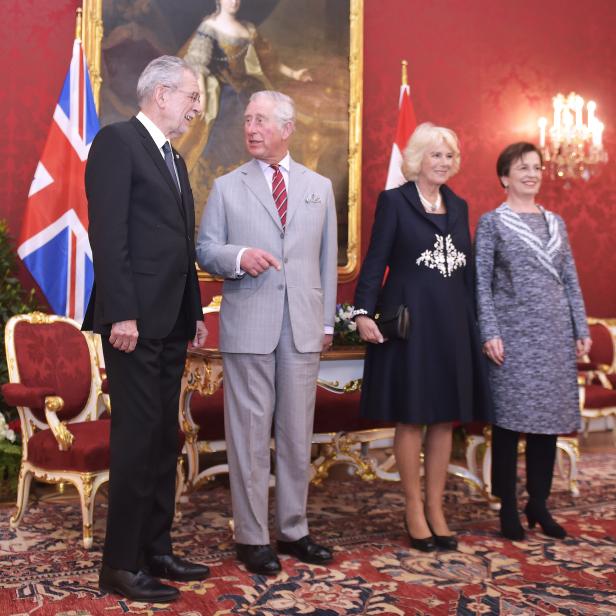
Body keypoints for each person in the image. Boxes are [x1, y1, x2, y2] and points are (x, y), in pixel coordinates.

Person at [83, 56, 209, 602]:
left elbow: (180, 248)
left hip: (172, 322)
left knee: (164, 439)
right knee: (136, 442)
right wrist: (123, 312)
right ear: (160, 94)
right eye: (191, 97)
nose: (197, 108)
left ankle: (156, 549)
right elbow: (108, 237)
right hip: (134, 322)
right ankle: (120, 565)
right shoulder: (117, 143)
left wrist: (196, 313)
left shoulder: (175, 160)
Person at [197, 90, 337, 575]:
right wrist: (238, 257)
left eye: (261, 121)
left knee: (298, 435)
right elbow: (205, 248)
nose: (251, 128)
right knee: (250, 435)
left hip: (301, 328)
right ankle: (252, 538)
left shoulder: (319, 186)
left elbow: (326, 262)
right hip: (249, 325)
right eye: (248, 120)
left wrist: (325, 323)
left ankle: (295, 530)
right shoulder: (226, 187)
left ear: (287, 128)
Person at [353, 122, 492, 552]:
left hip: (451, 324)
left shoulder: (460, 205)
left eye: (450, 155)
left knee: (444, 417)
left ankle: (437, 509)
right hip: (411, 325)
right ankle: (413, 510)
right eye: (436, 154)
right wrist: (362, 311)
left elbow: (466, 272)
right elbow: (376, 261)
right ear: (416, 159)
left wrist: (475, 327)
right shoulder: (394, 202)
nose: (444, 162)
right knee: (412, 416)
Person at [475, 142, 591, 541]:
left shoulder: (556, 222)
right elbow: (482, 285)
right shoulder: (493, 222)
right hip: (513, 339)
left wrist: (581, 328)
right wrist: (489, 331)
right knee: (509, 425)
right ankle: (507, 507)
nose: (531, 173)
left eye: (536, 167)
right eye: (522, 167)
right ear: (504, 176)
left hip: (555, 335)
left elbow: (571, 280)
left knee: (549, 425)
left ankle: (538, 504)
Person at [179, 0, 311, 207]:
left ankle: (254, 195)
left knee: (262, 134)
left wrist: (294, 73)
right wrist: (202, 96)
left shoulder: (247, 29)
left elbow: (270, 61)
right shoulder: (209, 28)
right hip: (222, 93)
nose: (234, 2)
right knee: (222, 137)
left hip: (249, 91)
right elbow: (198, 65)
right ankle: (216, 196)